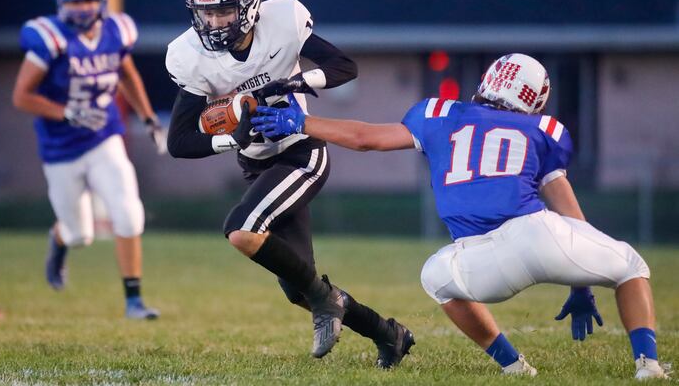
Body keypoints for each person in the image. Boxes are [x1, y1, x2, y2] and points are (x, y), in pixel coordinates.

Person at [252, 53, 669, 379]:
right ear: (536, 98)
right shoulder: (545, 129)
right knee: (631, 266)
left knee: (436, 276)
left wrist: (303, 121)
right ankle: (648, 365)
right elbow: (562, 198)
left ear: (486, 82)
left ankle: (513, 367)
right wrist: (581, 282)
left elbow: (364, 139)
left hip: (478, 258)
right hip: (540, 235)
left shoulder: (439, 114)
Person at [165, 0, 413, 366]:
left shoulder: (283, 21)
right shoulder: (189, 56)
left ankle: (327, 301)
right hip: (256, 164)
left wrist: (298, 81)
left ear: (249, 6)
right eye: (205, 12)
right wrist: (231, 138)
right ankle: (389, 335)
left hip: (301, 150)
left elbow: (343, 66)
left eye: (223, 10)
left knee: (241, 229)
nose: (213, 22)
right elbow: (179, 141)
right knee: (301, 287)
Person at [12, 0, 164, 320]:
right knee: (80, 234)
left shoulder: (117, 31)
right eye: (74, 2)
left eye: (88, 1)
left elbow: (126, 72)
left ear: (102, 1)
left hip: (103, 137)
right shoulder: (50, 38)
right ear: (61, 4)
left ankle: (134, 301)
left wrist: (147, 117)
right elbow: (21, 96)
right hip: (61, 148)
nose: (81, 9)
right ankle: (61, 239)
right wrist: (66, 112)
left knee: (128, 212)